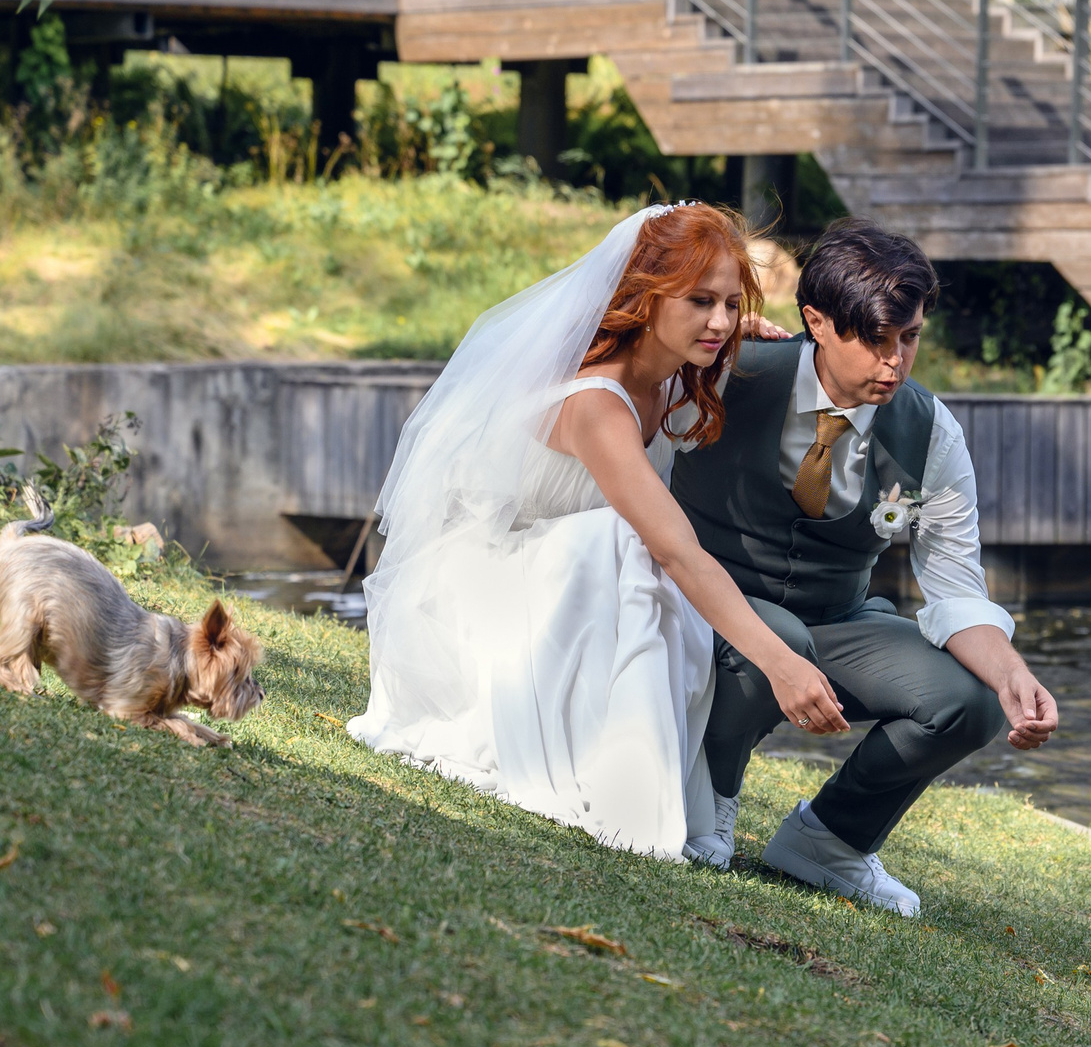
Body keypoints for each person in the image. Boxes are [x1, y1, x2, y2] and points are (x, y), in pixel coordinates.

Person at [347, 204, 839, 859]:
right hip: (486, 590)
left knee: (624, 546)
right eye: (698, 301)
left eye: (729, 302)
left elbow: (712, 337)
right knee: (627, 541)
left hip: (561, 581)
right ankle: (625, 784)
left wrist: (730, 328)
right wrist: (782, 664)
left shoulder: (668, 373)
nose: (720, 321)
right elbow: (675, 548)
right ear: (644, 293)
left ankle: (644, 773)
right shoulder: (596, 405)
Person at [671, 218, 1058, 916]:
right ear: (816, 321)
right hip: (712, 605)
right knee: (777, 638)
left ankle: (829, 841)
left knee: (967, 702)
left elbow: (953, 585)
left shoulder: (931, 431)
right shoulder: (725, 371)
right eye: (875, 340)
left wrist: (1012, 675)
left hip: (838, 620)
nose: (895, 362)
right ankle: (707, 805)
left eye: (908, 338)